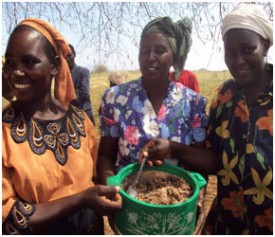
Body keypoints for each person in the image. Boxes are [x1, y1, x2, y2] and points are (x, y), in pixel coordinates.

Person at [139, 4, 273, 235]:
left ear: (266, 46)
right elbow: (214, 160)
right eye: (230, 52)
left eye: (248, 49)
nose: (238, 60)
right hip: (226, 223)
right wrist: (173, 148)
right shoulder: (225, 97)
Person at [2, 18, 122, 235]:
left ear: (55, 66)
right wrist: (81, 199)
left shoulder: (80, 121)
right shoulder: (4, 131)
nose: (16, 72)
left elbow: (96, 176)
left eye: (29, 62)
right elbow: (8, 216)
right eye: (10, 62)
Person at [67, 44, 95, 125]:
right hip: (68, 114)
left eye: (69, 55)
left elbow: (84, 93)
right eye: (64, 56)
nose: (67, 59)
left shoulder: (83, 71)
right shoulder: (61, 76)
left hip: (84, 112)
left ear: (74, 55)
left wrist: (67, 98)